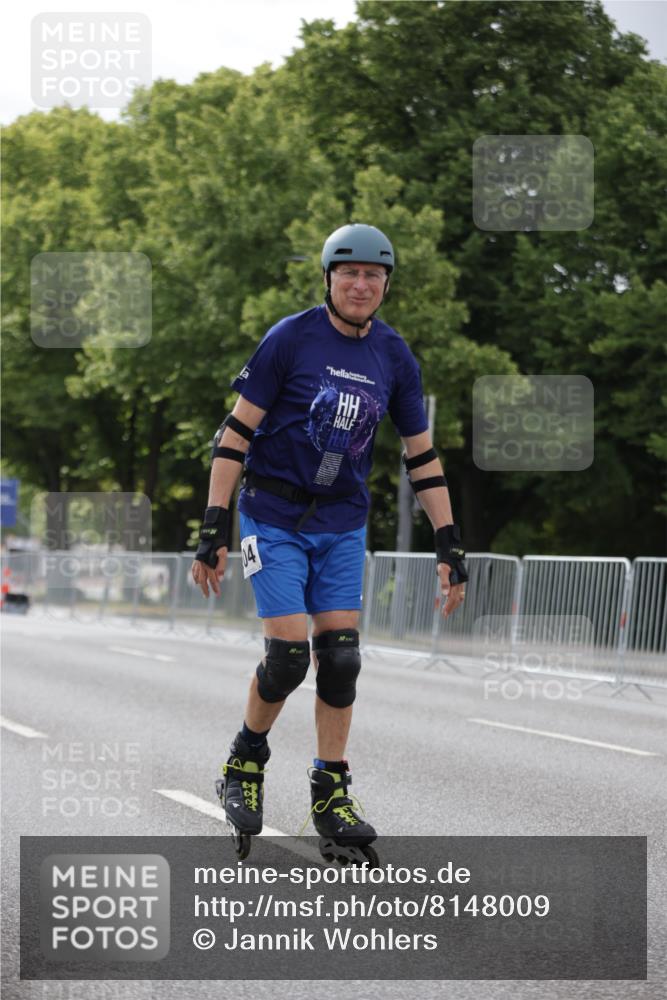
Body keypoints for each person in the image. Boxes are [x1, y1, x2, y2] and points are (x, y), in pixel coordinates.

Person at [191, 223, 467, 862]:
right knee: (288, 658)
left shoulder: (395, 357)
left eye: (374, 275)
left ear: (386, 284)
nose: (362, 284)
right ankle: (245, 762)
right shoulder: (290, 338)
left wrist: (450, 542)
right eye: (350, 273)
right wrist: (213, 526)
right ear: (328, 279)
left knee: (340, 659)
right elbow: (233, 435)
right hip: (274, 515)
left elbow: (421, 459)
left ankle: (330, 793)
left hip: (342, 521)